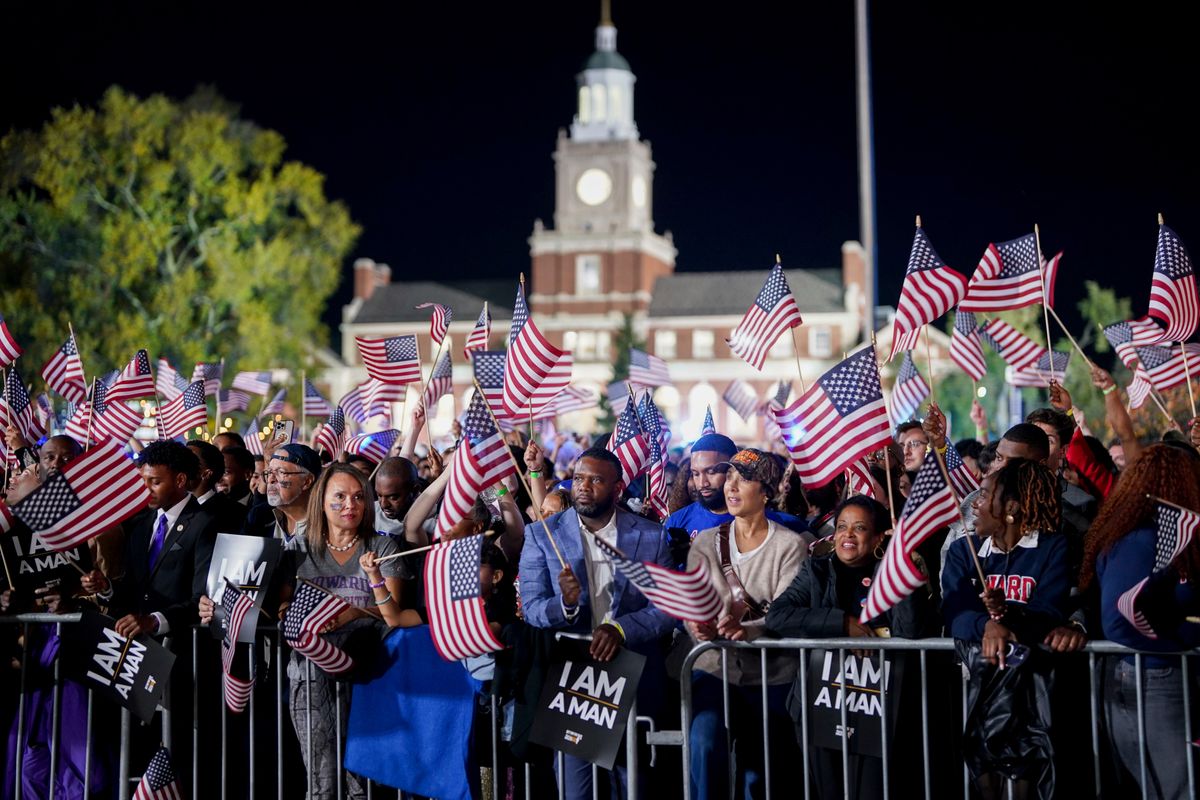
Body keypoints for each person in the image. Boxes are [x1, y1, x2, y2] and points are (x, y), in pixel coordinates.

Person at [519, 447, 677, 800]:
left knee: (632, 786)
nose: (583, 487)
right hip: (573, 681)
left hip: (632, 675)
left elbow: (667, 608)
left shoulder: (650, 535)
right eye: (578, 478)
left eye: (595, 479)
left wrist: (620, 629)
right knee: (577, 791)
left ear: (618, 488)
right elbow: (531, 609)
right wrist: (566, 605)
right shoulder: (542, 535)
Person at [766, 496, 931, 799]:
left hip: (876, 706)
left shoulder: (892, 572)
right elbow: (778, 616)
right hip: (821, 704)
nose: (848, 535)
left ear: (879, 536)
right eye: (842, 527)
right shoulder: (815, 571)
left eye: (859, 528)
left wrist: (900, 562)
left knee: (871, 790)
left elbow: (911, 630)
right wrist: (842, 624)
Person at [81, 441, 219, 790]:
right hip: (138, 661)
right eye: (142, 480)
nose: (146, 489)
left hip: (185, 659)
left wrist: (155, 620)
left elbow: (202, 597)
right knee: (138, 752)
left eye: (154, 482)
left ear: (182, 480)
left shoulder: (206, 525)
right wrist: (106, 589)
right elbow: (131, 588)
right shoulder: (141, 524)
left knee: (181, 755)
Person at [941, 458, 1077, 800]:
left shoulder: (1051, 547)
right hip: (977, 686)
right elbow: (955, 612)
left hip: (1033, 697)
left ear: (1012, 507)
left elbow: (1049, 609)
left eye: (985, 495)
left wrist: (1007, 615)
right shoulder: (963, 551)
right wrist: (987, 624)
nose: (975, 502)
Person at [1079, 444, 1200, 799]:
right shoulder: (1139, 541)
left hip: (1157, 675)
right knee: (1177, 788)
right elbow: (1119, 618)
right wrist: (1187, 638)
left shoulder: (1160, 539)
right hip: (1152, 678)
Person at [685, 449, 806, 799]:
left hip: (771, 675)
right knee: (704, 744)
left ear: (766, 491)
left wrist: (750, 631)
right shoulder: (706, 542)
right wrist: (698, 626)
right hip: (713, 668)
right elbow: (694, 601)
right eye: (730, 478)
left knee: (762, 774)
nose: (731, 487)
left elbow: (787, 611)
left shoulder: (790, 545)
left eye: (745, 480)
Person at [285, 463, 410, 800]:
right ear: (321, 501)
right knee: (322, 780)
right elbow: (279, 608)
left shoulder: (383, 548)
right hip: (309, 678)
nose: (350, 505)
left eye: (358, 497)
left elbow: (394, 613)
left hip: (369, 677)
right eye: (339, 497)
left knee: (362, 783)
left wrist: (354, 612)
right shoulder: (298, 548)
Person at [664, 433, 807, 539]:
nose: (702, 483)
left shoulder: (769, 523)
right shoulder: (677, 521)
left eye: (712, 472)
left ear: (733, 469)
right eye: (695, 474)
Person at [244, 443, 322, 549]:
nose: (271, 479)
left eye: (281, 472)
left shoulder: (328, 526)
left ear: (307, 481)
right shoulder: (260, 518)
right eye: (269, 472)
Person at [186, 439, 248, 533]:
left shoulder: (233, 513)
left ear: (206, 474)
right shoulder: (176, 507)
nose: (180, 464)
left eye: (188, 460)